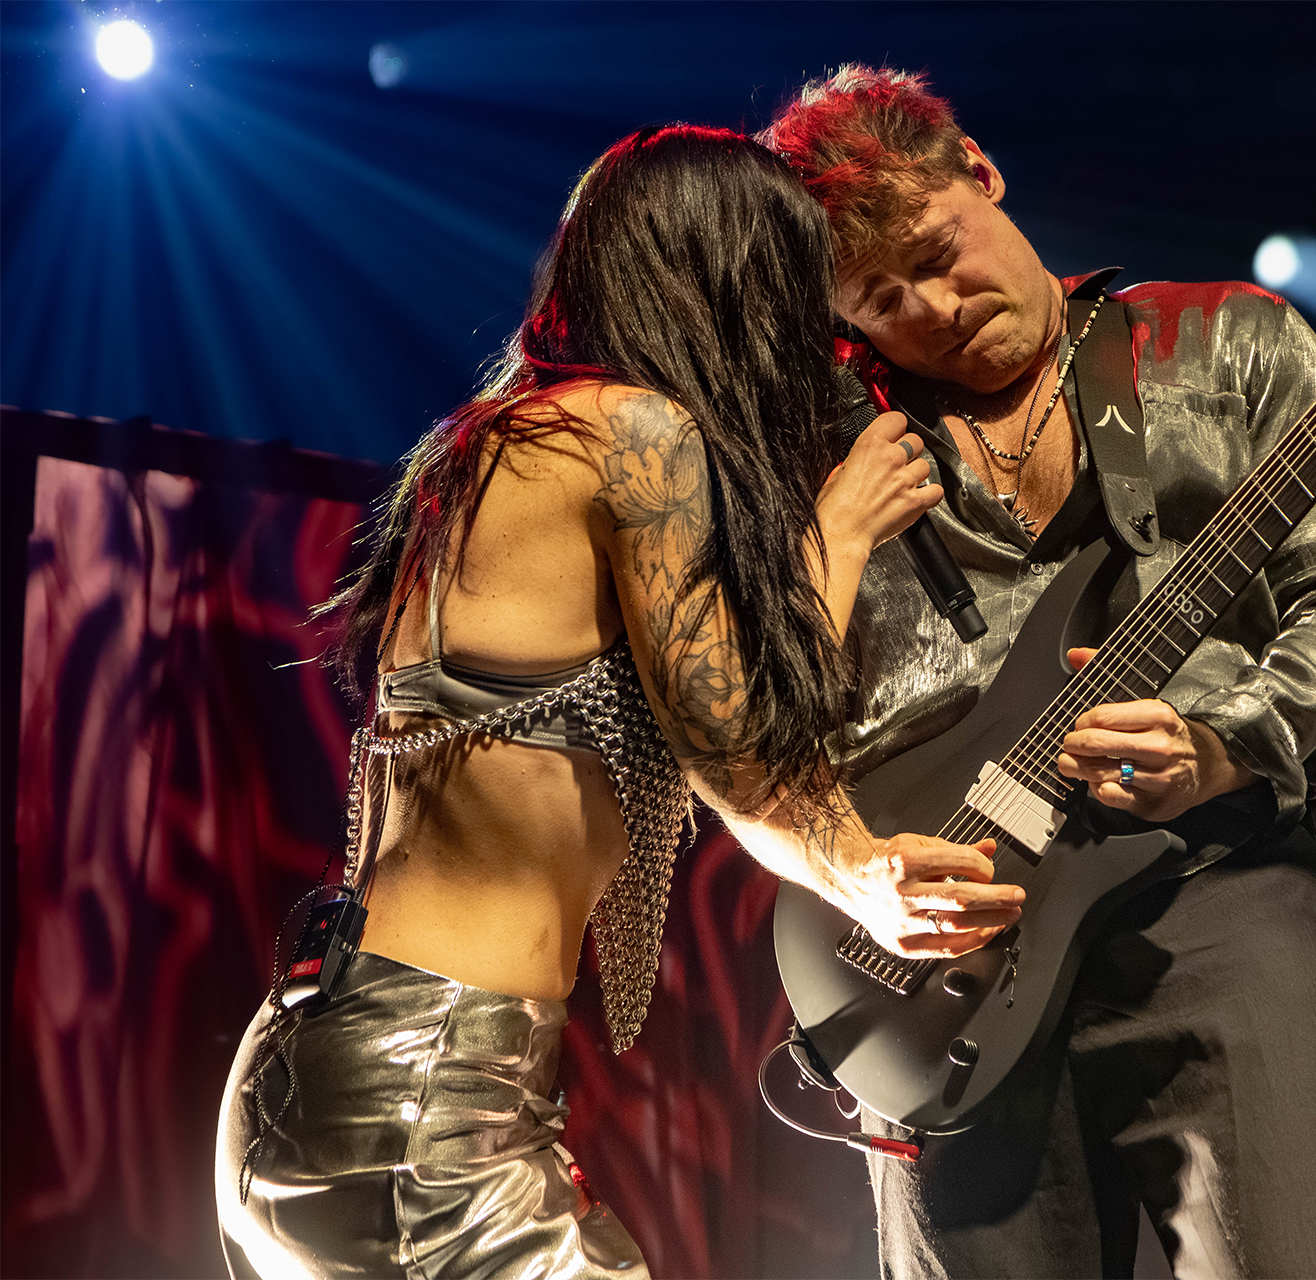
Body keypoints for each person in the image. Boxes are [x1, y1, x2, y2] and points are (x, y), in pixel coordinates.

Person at [212, 125, 941, 1278]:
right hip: (425, 1089)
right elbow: (744, 747)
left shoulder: (492, 446)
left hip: (339, 1065)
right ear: (735, 280)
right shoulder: (635, 433)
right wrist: (841, 533)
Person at [739, 67, 1316, 1276]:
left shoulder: (1224, 345)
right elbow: (738, 728)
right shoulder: (812, 454)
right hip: (930, 956)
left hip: (1208, 888)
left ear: (981, 170)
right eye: (880, 300)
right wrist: (855, 869)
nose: (932, 309)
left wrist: (1223, 744)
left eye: (937, 253)